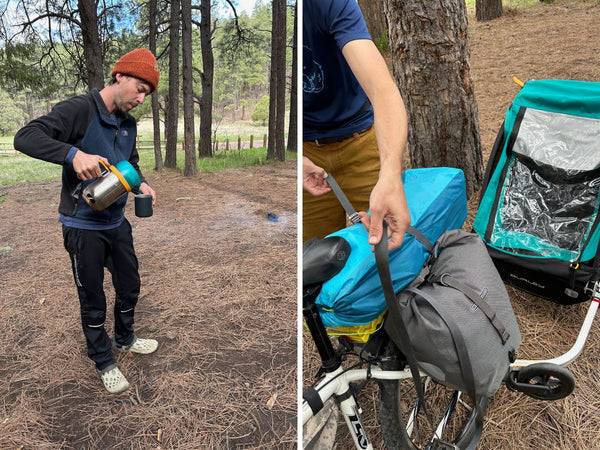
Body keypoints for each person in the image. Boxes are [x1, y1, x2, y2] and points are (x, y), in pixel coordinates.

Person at [14, 48, 160, 394]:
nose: (142, 98)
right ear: (119, 76)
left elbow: (132, 162)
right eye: (140, 88)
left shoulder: (128, 124)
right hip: (83, 227)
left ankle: (125, 338)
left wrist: (142, 183)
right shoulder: (80, 109)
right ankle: (104, 360)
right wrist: (72, 154)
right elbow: (25, 137)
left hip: (116, 223)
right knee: (92, 297)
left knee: (130, 286)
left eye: (148, 94)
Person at [303, 0, 411, 251]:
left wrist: (390, 174)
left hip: (359, 140)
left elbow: (383, 91)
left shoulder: (331, 4)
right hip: (304, 154)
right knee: (311, 262)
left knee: (386, 249)